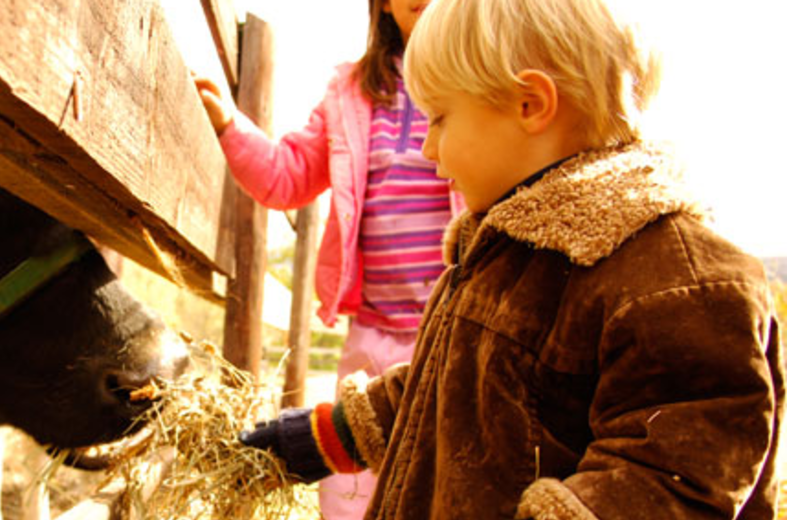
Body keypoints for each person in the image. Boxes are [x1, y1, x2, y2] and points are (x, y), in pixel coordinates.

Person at [237, 0, 786, 518]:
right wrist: (318, 438)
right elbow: (447, 391)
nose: (428, 150)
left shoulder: (679, 285)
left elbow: (673, 478)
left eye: (441, 120)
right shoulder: (507, 252)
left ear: (530, 105)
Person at [194, 1, 463, 518]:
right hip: (372, 332)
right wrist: (230, 126)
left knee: (443, 475)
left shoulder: (481, 71)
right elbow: (288, 175)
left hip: (452, 324)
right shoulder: (353, 93)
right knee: (350, 478)